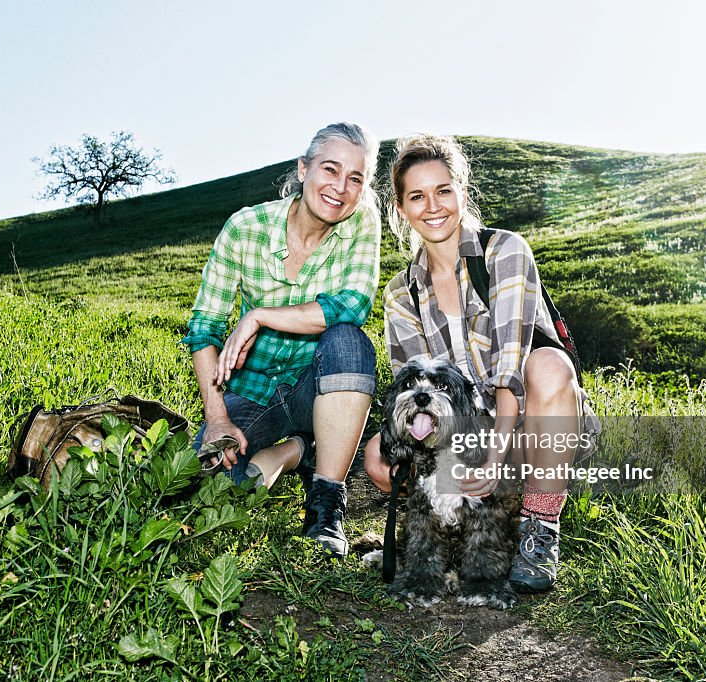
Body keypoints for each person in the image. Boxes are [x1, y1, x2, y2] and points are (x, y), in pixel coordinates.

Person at [363, 134, 600, 592]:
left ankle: (539, 528)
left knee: (547, 365)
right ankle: (447, 526)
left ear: (462, 194)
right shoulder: (400, 292)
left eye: (443, 191)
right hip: (462, 432)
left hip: (530, 425)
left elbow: (509, 373)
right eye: (417, 196)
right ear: (401, 207)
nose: (433, 207)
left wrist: (493, 457)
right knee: (377, 459)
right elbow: (416, 391)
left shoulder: (505, 251)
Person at [182, 122, 381, 559]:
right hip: (255, 391)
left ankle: (326, 504)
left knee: (349, 341)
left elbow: (352, 305)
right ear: (303, 168)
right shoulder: (244, 229)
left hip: (319, 387)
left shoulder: (361, 223)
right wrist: (216, 418)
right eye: (330, 169)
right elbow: (205, 328)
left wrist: (259, 315)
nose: (341, 187)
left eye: (355, 179)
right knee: (206, 487)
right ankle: (295, 451)